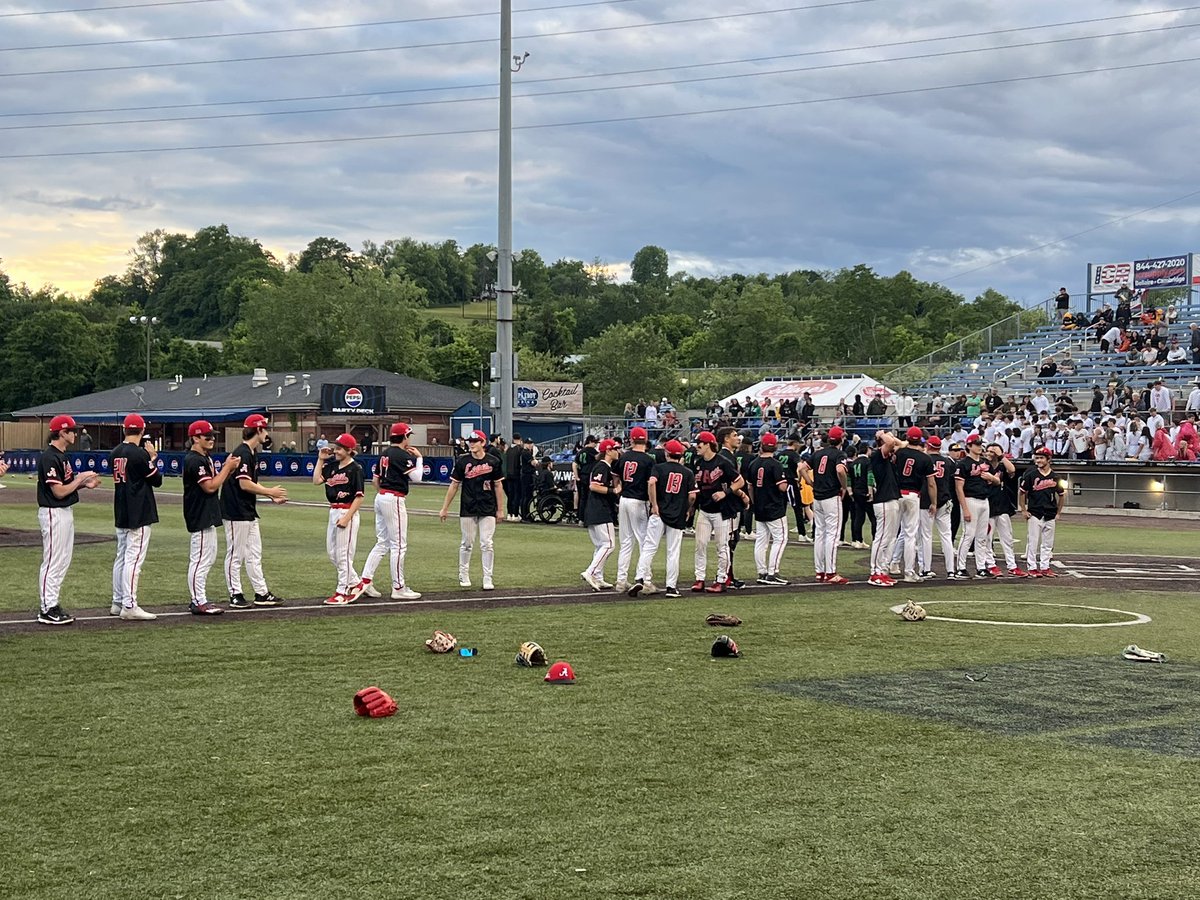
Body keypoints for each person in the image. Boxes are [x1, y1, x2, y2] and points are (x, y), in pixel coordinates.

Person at [36, 415, 101, 625]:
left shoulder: (61, 456)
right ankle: (47, 608)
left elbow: (66, 488)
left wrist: (83, 484)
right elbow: (58, 492)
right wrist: (80, 478)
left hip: (63, 511)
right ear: (62, 433)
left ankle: (52, 603)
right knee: (53, 560)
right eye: (72, 430)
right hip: (53, 512)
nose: (75, 434)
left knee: (63, 559)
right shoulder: (50, 456)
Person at [221, 413, 289, 610]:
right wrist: (270, 491)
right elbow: (244, 484)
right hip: (235, 510)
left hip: (247, 510)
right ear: (258, 430)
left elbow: (249, 482)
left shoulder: (250, 452)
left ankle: (261, 592)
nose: (266, 433)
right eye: (264, 429)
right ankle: (235, 594)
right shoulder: (242, 452)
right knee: (236, 554)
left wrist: (270, 496)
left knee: (254, 553)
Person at [356, 422, 424, 601]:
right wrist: (419, 458)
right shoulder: (402, 454)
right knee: (398, 545)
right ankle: (398, 587)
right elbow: (417, 478)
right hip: (394, 497)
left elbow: (375, 481)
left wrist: (384, 495)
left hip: (381, 496)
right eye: (408, 436)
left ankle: (365, 580)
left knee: (382, 543)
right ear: (404, 437)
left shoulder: (384, 453)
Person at [182, 419, 239, 615]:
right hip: (199, 512)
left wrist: (228, 469)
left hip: (206, 512)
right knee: (200, 559)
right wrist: (227, 468)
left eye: (213, 436)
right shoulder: (194, 460)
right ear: (195, 438)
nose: (212, 439)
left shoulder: (204, 457)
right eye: (207, 436)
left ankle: (199, 598)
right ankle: (198, 600)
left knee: (206, 557)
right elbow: (210, 487)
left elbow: (215, 482)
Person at [110, 413, 162, 621]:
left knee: (122, 557)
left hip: (121, 507)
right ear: (142, 430)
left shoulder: (115, 451)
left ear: (125, 429)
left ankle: (118, 601)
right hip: (138, 509)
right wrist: (152, 458)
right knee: (133, 559)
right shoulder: (139, 454)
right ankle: (129, 605)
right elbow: (156, 480)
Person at [439, 430, 506, 591]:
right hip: (468, 506)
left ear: (483, 443)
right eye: (470, 441)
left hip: (488, 506)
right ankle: (463, 573)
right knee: (467, 543)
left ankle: (488, 577)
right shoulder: (463, 461)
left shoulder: (493, 461)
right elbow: (454, 485)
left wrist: (500, 509)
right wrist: (445, 508)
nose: (472, 444)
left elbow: (498, 485)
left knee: (487, 543)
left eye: (475, 441)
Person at [312, 433, 366, 606]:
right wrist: (320, 460)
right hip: (333, 511)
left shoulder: (355, 469)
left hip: (346, 511)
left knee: (343, 555)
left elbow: (359, 497)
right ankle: (356, 583)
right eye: (336, 447)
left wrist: (347, 518)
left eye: (340, 448)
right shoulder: (332, 466)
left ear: (349, 450)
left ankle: (342, 591)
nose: (336, 451)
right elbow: (316, 480)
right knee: (332, 553)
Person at [692, 430, 744, 594]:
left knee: (722, 546)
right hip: (705, 509)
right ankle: (699, 578)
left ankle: (721, 580)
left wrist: (725, 492)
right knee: (700, 545)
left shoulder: (722, 462)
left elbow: (739, 481)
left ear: (708, 444)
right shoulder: (698, 462)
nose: (697, 446)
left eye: (699, 443)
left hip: (721, 510)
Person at [804, 426, 850, 585]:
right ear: (841, 439)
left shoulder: (818, 453)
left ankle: (820, 571)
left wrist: (810, 482)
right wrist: (844, 486)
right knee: (832, 534)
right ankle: (831, 572)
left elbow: (801, 468)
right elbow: (840, 470)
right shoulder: (839, 454)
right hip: (831, 496)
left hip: (817, 497)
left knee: (820, 534)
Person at [746, 433, 790, 585]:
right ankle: (772, 573)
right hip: (774, 506)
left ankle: (762, 571)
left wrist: (754, 502)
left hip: (759, 506)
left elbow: (750, 487)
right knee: (780, 539)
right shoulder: (775, 464)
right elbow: (782, 487)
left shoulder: (753, 463)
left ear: (761, 446)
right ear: (775, 447)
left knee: (761, 541)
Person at [894, 426, 937, 583]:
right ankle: (909, 571)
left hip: (896, 494)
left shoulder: (899, 453)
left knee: (891, 534)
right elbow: (931, 483)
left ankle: (885, 567)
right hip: (913, 495)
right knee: (910, 535)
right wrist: (934, 502)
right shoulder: (925, 458)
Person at [614, 426, 654, 593]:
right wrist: (653, 503)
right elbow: (651, 483)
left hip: (624, 499)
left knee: (625, 542)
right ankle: (645, 580)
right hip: (639, 501)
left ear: (631, 440)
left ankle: (621, 580)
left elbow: (615, 475)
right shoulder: (648, 460)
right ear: (645, 440)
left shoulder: (624, 456)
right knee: (645, 542)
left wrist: (619, 488)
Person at [580, 439, 621, 590]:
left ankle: (598, 577)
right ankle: (590, 572)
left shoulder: (604, 467)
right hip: (600, 509)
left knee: (600, 546)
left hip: (594, 510)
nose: (618, 451)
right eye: (615, 449)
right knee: (609, 545)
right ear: (608, 451)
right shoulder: (602, 466)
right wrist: (613, 490)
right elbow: (594, 486)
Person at [953, 435, 994, 579]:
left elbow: (996, 480)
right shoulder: (963, 464)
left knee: (982, 536)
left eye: (980, 444)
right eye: (976, 444)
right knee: (968, 534)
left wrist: (991, 478)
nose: (979, 446)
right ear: (969, 446)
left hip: (984, 500)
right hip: (970, 499)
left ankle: (981, 567)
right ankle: (961, 567)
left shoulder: (985, 462)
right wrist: (965, 508)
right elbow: (959, 487)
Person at [1019, 448, 1065, 576]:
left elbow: (1061, 495)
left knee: (1048, 543)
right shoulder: (1031, 475)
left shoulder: (1055, 477)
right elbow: (1022, 492)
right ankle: (1032, 567)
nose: (1038, 460)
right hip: (1035, 512)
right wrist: (1023, 509)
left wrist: (1058, 512)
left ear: (1048, 459)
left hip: (1050, 513)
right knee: (1033, 542)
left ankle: (1045, 567)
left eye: (1041, 458)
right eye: (1037, 458)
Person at [867, 431, 902, 587]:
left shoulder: (887, 456)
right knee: (882, 538)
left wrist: (890, 436)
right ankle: (875, 572)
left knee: (890, 538)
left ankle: (883, 570)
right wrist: (882, 434)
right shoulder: (877, 455)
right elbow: (890, 443)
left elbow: (902, 444)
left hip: (891, 499)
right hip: (883, 500)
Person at [573, 435, 598, 521]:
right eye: (594, 442)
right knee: (589, 497)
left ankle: (581, 517)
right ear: (590, 441)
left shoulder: (580, 451)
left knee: (582, 498)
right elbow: (597, 457)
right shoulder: (591, 450)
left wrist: (577, 477)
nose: (595, 444)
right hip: (589, 476)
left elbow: (574, 464)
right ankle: (588, 517)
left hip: (581, 476)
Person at [504, 434, 523, 520]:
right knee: (516, 495)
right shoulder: (519, 449)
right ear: (520, 439)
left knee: (510, 495)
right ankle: (515, 514)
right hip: (516, 474)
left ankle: (509, 513)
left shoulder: (508, 450)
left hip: (508, 475)